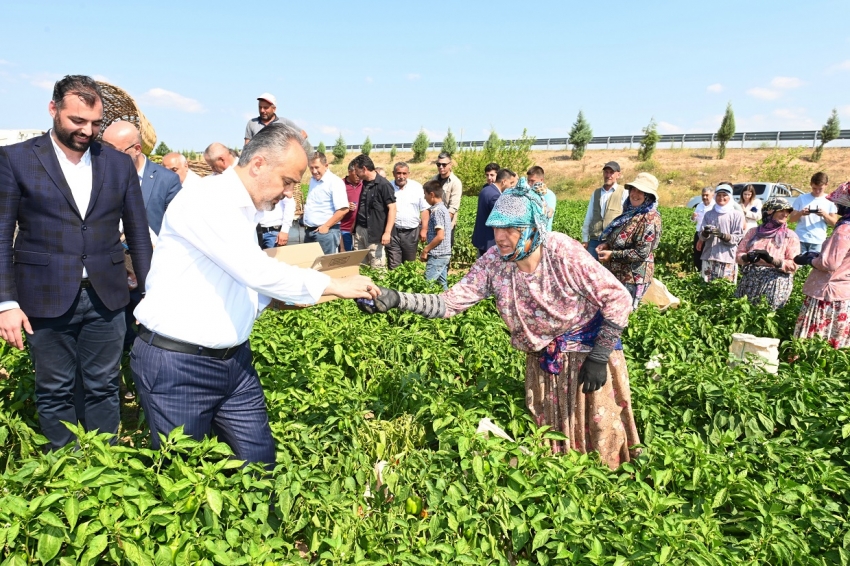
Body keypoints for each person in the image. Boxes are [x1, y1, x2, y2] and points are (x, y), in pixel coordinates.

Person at [131, 123, 378, 464]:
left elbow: (241, 283)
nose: (290, 192)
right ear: (259, 164)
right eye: (288, 181)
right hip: (179, 365)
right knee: (184, 479)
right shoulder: (208, 200)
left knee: (258, 464)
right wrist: (333, 284)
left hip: (234, 363)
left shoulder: (247, 211)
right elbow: (254, 270)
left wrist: (286, 298)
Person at [358, 178, 639, 470]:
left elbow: (617, 297)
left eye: (511, 229)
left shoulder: (560, 251)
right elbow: (450, 302)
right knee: (553, 447)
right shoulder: (495, 261)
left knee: (598, 434)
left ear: (532, 228)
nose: (501, 236)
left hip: (587, 359)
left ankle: (608, 492)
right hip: (545, 362)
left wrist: (599, 355)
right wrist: (397, 298)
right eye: (496, 227)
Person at [0, 75, 153, 450]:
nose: (87, 131)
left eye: (95, 123)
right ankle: (66, 467)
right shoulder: (17, 159)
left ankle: (104, 467)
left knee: (104, 385)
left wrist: (149, 294)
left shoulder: (116, 164)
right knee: (54, 388)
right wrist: (6, 303)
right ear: (53, 110)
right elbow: (2, 236)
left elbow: (138, 235)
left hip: (107, 296)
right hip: (44, 295)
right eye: (77, 121)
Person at [794, 181, 850, 349]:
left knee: (814, 344)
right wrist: (818, 255)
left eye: (839, 202)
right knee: (833, 346)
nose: (836, 205)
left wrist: (809, 260)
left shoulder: (844, 230)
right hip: (844, 290)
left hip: (827, 294)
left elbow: (830, 263)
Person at [101, 121, 182, 237]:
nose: (110, 158)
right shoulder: (102, 176)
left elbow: (178, 227)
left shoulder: (168, 181)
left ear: (137, 149)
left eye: (117, 152)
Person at [596, 173, 662, 309]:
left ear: (648, 196)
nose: (635, 194)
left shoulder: (649, 218)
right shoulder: (629, 213)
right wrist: (607, 244)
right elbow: (620, 238)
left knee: (625, 316)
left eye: (640, 192)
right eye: (633, 189)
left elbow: (641, 253)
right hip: (617, 275)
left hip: (632, 278)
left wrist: (612, 254)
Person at [735, 198, 800, 310]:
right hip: (750, 281)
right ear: (769, 212)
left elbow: (794, 264)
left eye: (787, 211)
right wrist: (747, 257)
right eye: (781, 211)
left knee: (767, 315)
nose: (785, 214)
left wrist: (772, 260)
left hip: (775, 282)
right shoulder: (753, 232)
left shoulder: (790, 236)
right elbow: (739, 254)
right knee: (744, 312)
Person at [352, 155, 396, 268]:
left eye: (357, 170)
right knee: (361, 266)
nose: (355, 173)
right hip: (360, 230)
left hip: (375, 233)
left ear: (364, 169)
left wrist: (387, 232)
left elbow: (392, 208)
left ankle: (379, 286)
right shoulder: (363, 183)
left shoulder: (384, 185)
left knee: (377, 267)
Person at [302, 152, 348, 255]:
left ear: (326, 166)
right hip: (310, 231)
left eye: (317, 167)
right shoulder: (313, 180)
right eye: (311, 168)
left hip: (326, 233)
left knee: (325, 268)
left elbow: (343, 209)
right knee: (310, 266)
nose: (314, 171)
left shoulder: (334, 182)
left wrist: (326, 226)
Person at [699, 184, 746, 283]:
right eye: (719, 195)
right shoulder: (709, 214)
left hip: (727, 257)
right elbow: (701, 236)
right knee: (706, 287)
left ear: (730, 197)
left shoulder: (737, 215)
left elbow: (738, 237)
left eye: (724, 195)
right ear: (715, 196)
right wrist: (705, 233)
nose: (721, 198)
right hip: (709, 256)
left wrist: (722, 235)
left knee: (725, 288)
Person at [581, 161, 628, 260]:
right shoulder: (596, 193)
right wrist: (585, 239)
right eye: (606, 172)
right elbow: (589, 216)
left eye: (611, 172)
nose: (608, 175)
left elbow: (626, 218)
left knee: (609, 273)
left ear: (618, 175)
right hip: (594, 240)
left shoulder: (624, 192)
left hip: (612, 241)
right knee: (590, 270)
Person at [387, 162, 428, 269]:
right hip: (393, 231)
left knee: (409, 264)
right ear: (393, 173)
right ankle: (393, 285)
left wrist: (424, 229)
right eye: (398, 173)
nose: (401, 176)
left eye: (404, 173)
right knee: (394, 265)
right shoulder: (388, 187)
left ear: (408, 174)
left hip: (411, 232)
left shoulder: (417, 187)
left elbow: (424, 209)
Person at [790, 172, 838, 254]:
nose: (817, 191)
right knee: (798, 265)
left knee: (814, 266)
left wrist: (824, 215)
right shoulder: (801, 198)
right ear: (811, 184)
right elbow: (791, 219)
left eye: (820, 189)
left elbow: (835, 224)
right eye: (814, 188)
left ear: (826, 185)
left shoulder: (830, 201)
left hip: (818, 240)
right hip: (800, 238)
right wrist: (801, 213)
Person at [421, 181, 452, 289]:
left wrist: (426, 250)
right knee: (442, 284)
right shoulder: (443, 209)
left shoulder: (438, 211)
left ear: (432, 194)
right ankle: (448, 305)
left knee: (427, 285)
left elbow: (440, 236)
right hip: (444, 254)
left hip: (438, 255)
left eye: (425, 194)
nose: (425, 198)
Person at [471, 162, 501, 257]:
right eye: (487, 175)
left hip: (482, 238)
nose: (489, 178)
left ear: (498, 175)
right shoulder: (492, 192)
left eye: (492, 175)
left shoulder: (486, 190)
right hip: (489, 239)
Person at [431, 152, 462, 235]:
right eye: (438, 164)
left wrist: (442, 225)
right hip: (433, 222)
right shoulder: (433, 180)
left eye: (444, 165)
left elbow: (452, 208)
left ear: (450, 165)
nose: (441, 167)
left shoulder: (455, 182)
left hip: (447, 224)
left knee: (445, 247)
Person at [339, 163, 362, 252]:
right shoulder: (340, 184)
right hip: (344, 228)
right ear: (349, 172)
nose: (358, 176)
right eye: (356, 174)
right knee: (346, 255)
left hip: (359, 229)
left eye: (359, 173)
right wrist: (345, 205)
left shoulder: (363, 184)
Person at [527, 165, 556, 231]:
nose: (529, 184)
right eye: (528, 181)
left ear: (541, 180)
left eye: (532, 181)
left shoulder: (549, 195)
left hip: (543, 233)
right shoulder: (528, 193)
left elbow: (549, 214)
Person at [691, 187, 714, 270]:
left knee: (708, 254)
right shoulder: (699, 205)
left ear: (712, 195)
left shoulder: (715, 206)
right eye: (703, 195)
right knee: (697, 253)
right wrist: (693, 217)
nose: (704, 197)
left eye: (707, 195)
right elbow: (694, 220)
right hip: (699, 232)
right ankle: (698, 272)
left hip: (709, 234)